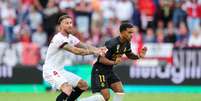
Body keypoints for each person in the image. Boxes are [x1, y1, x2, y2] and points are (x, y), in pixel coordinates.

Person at [43, 15, 105, 101]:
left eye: (71, 23)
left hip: (60, 70)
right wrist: (94, 52)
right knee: (67, 88)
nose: (69, 25)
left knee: (83, 85)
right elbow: (75, 51)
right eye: (66, 23)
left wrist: (98, 49)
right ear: (60, 26)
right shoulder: (59, 38)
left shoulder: (70, 38)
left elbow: (85, 45)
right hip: (50, 70)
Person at [91, 23, 147, 101]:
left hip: (109, 70)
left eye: (132, 32)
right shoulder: (111, 43)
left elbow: (129, 54)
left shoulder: (127, 43)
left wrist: (138, 56)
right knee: (105, 97)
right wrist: (114, 62)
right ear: (122, 32)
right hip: (99, 71)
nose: (132, 35)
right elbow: (101, 59)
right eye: (129, 32)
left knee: (120, 91)